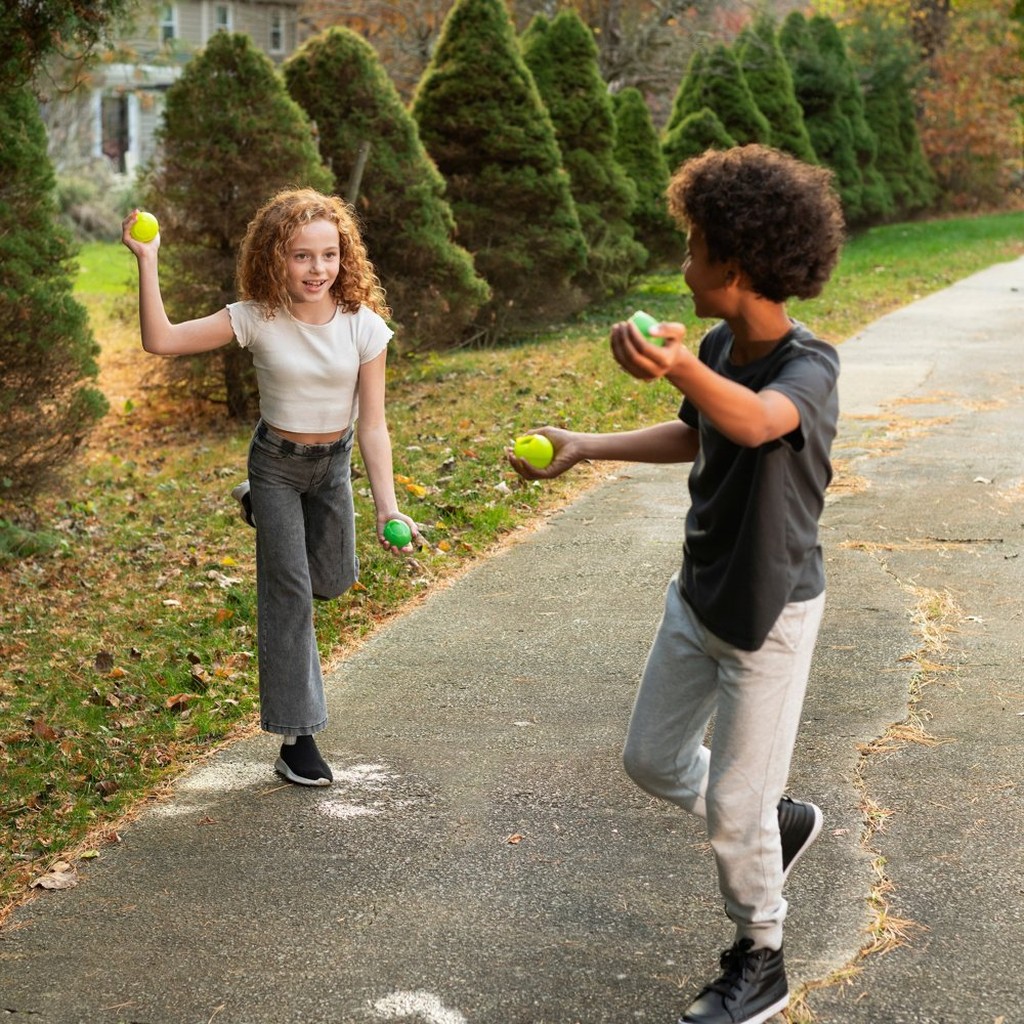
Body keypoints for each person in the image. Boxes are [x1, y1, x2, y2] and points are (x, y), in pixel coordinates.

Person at [508, 145, 845, 1024]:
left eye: (692, 248)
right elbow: (703, 431)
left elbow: (762, 422)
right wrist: (588, 443)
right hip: (699, 592)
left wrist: (683, 368)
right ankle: (779, 825)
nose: (682, 264)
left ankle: (761, 955)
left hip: (769, 612)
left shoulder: (809, 367)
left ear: (733, 265)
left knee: (734, 806)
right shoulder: (716, 344)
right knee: (652, 760)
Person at [122, 188, 419, 788]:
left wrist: (389, 506)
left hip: (330, 466)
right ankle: (297, 737)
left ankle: (257, 512)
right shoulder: (256, 317)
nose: (317, 269)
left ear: (346, 257)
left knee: (332, 580)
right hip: (277, 465)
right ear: (275, 259)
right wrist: (146, 260)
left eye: (329, 255)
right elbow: (162, 341)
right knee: (291, 597)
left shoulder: (364, 326)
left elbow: (374, 423)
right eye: (301, 256)